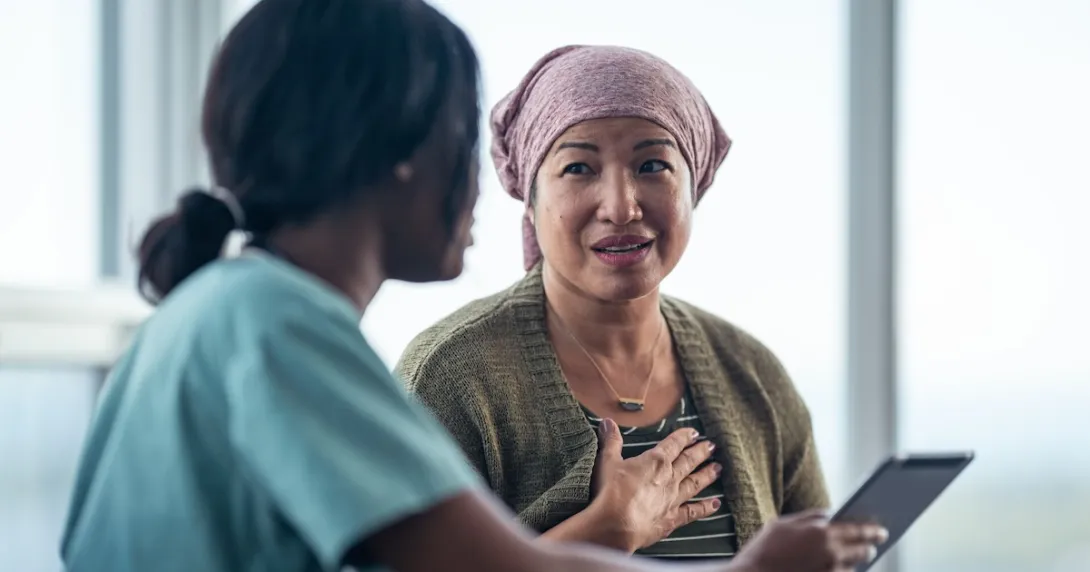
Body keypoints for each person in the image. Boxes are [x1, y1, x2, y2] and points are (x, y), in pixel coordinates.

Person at [59, 1, 885, 571]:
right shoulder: (275, 327)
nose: (483, 180)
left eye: (652, 164)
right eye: (467, 134)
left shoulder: (219, 312)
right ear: (404, 151)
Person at [398, 45, 831, 562]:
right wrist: (606, 531)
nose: (621, 206)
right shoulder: (451, 377)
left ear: (694, 189)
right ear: (530, 199)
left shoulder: (752, 374)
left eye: (653, 165)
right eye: (579, 168)